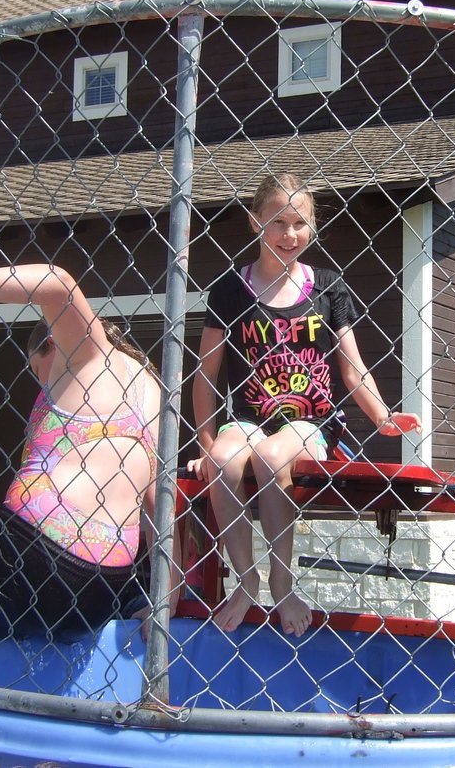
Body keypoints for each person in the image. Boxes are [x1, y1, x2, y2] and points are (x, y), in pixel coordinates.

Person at [188, 173, 421, 637]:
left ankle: (282, 578)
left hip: (313, 421)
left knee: (273, 457)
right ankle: (245, 578)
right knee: (224, 459)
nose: (289, 234)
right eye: (277, 222)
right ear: (256, 224)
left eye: (299, 223)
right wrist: (206, 442)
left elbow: (353, 368)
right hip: (252, 417)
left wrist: (382, 415)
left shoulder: (328, 287)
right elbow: (206, 374)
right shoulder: (231, 291)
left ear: (313, 227)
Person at [0, 264, 162, 639]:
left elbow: (56, 281)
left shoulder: (87, 356)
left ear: (57, 342)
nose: (41, 383)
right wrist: (159, 597)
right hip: (105, 582)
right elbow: (157, 503)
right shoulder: (151, 390)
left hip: (32, 553)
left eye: (37, 370)